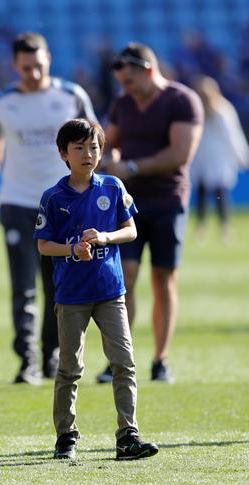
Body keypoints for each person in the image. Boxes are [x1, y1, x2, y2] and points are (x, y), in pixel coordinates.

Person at [35, 118, 159, 461]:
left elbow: (130, 230)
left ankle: (127, 435)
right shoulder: (53, 197)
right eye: (79, 148)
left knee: (124, 362)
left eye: (94, 147)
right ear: (64, 154)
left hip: (110, 291)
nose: (88, 154)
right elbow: (44, 245)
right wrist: (73, 249)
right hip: (72, 295)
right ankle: (66, 436)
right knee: (69, 368)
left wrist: (105, 237)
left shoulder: (113, 187)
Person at [0, 32, 96, 384]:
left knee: (57, 286)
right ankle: (27, 358)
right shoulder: (1, 102)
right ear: (14, 65)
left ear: (49, 60)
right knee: (22, 286)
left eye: (39, 66)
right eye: (26, 67)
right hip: (17, 202)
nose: (32, 73)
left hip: (63, 204)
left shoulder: (71, 96)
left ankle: (52, 354)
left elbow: (95, 141)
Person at [100, 43, 203, 383]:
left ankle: (161, 359)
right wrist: (105, 159)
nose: (125, 88)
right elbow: (108, 140)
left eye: (129, 80)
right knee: (124, 279)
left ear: (147, 69)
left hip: (167, 200)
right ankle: (120, 359)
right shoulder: (123, 102)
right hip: (128, 204)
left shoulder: (181, 100)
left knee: (163, 279)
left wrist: (129, 166)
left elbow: (179, 154)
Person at [190, 75, 249, 242]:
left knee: (221, 192)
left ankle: (225, 228)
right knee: (201, 193)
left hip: (218, 158)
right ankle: (200, 228)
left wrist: (242, 156)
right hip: (201, 157)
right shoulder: (196, 110)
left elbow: (233, 136)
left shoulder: (223, 111)